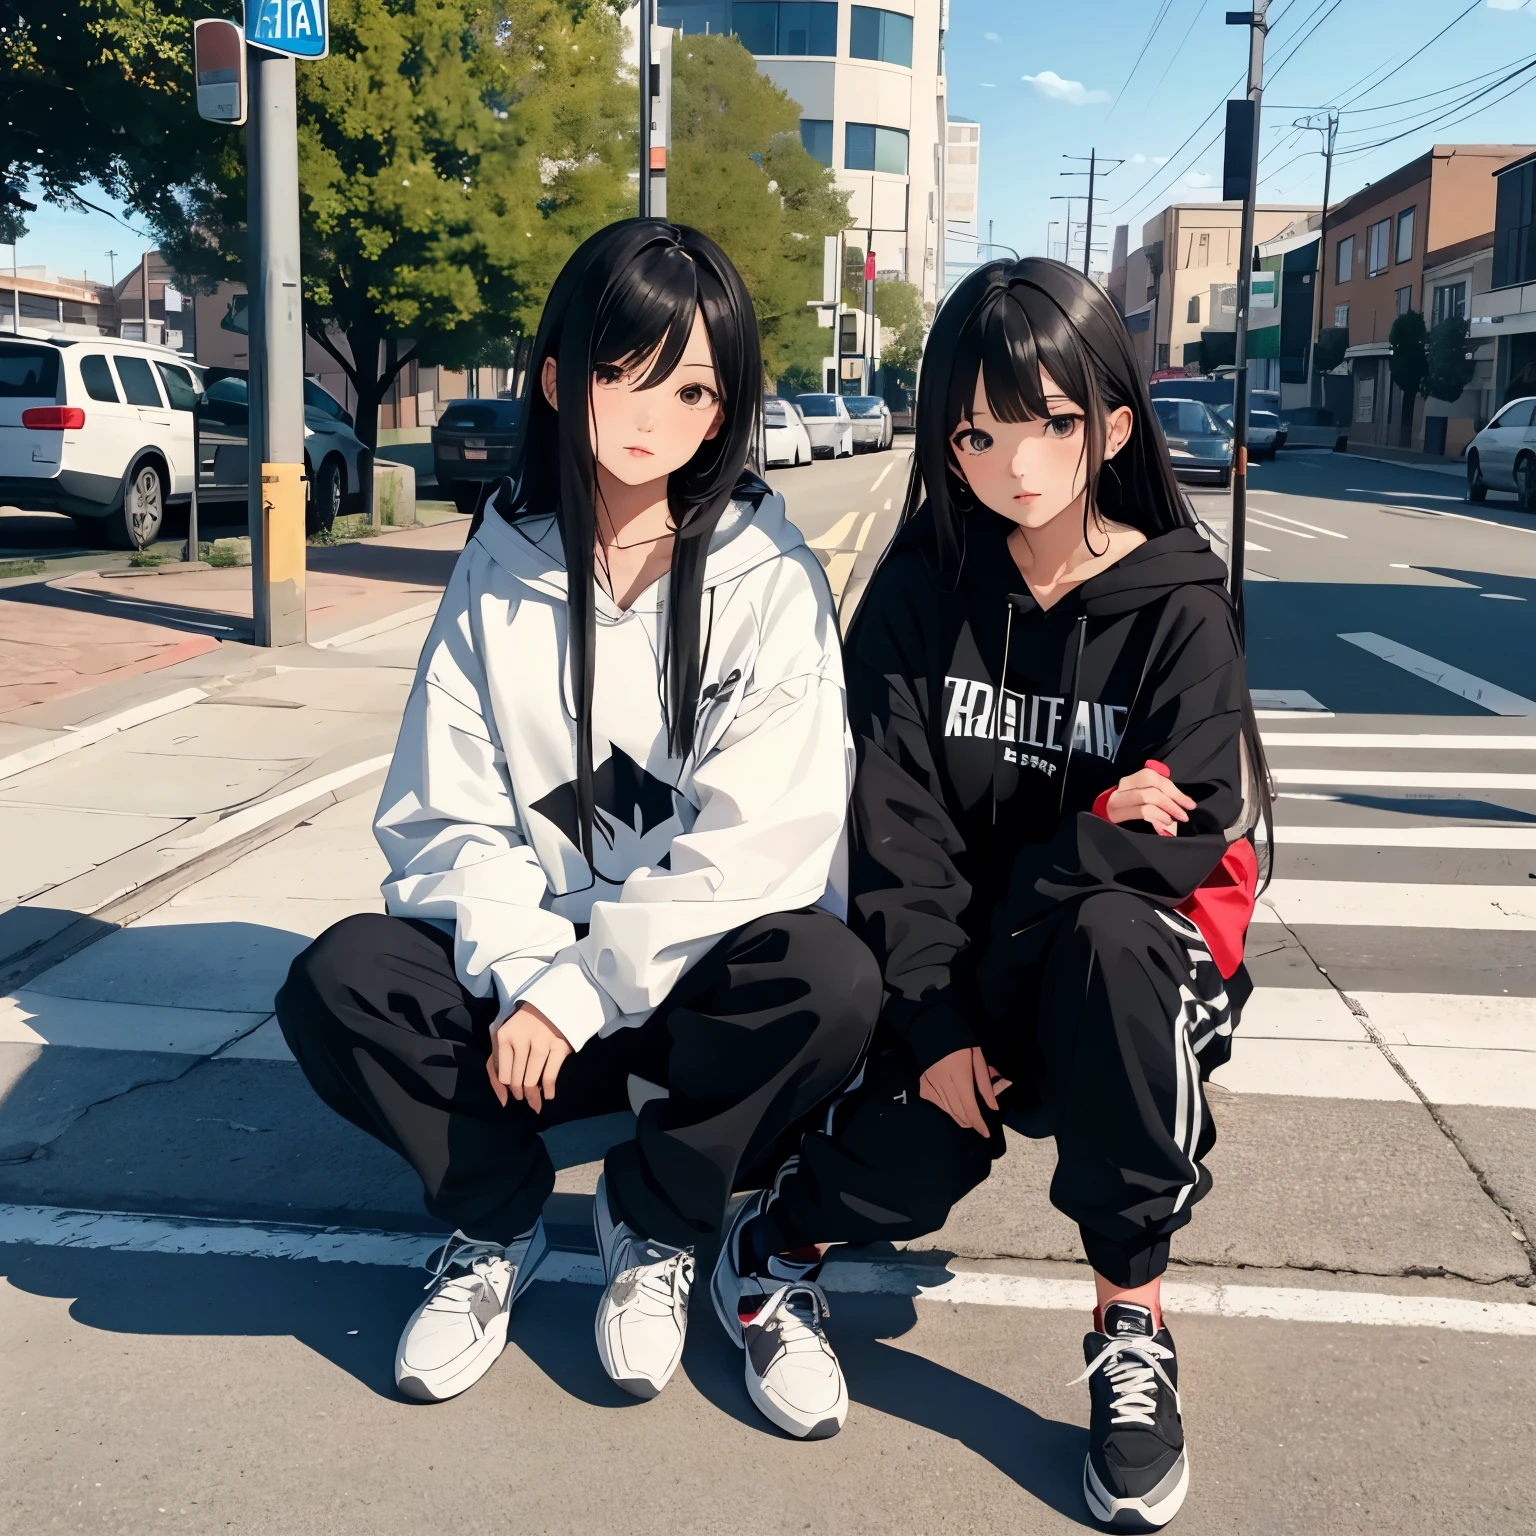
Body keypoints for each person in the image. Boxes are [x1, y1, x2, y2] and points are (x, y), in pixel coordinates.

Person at [274, 220, 878, 1424]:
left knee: (830, 978)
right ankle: (497, 1227)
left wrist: (590, 986)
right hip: (531, 1005)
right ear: (559, 380)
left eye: (692, 385)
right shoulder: (498, 568)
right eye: (623, 372)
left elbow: (769, 837)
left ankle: (654, 1217)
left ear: (726, 410)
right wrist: (526, 973)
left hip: (681, 997)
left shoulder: (770, 578)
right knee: (337, 980)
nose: (654, 413)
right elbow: (442, 817)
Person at [708, 258, 1272, 1525]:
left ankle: (1132, 1320)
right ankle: (773, 1250)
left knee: (1120, 941)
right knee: (923, 1161)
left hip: (1111, 974)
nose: (1018, 462)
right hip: (961, 968)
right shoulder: (919, 596)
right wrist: (943, 1025)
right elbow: (895, 835)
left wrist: (1070, 863)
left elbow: (1184, 842)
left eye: (1054, 423)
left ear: (1113, 428)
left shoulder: (1181, 609)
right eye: (980, 428)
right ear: (945, 437)